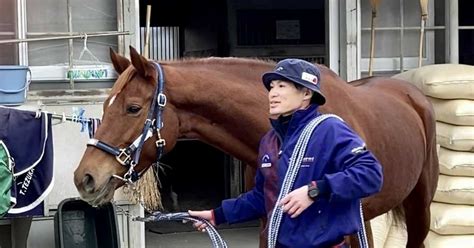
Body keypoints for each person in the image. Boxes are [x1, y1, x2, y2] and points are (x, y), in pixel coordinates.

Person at [189, 59, 383, 248]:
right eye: (271, 87)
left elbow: (371, 174)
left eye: (282, 86)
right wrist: (218, 215)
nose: (272, 93)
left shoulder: (330, 130)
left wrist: (314, 190)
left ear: (306, 93)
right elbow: (264, 197)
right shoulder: (270, 141)